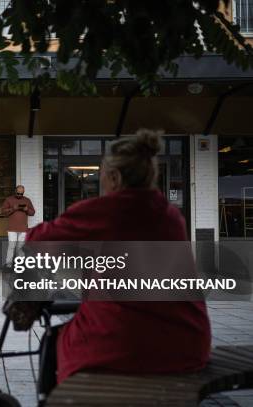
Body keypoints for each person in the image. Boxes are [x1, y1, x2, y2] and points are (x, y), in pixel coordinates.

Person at [26, 130, 211, 391]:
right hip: (188, 343)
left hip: (130, 348)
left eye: (101, 171)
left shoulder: (105, 211)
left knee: (54, 341)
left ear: (114, 177)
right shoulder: (170, 215)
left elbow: (35, 240)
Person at [1, 185, 35, 268]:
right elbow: (3, 212)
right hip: (12, 228)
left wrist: (27, 209)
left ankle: (20, 264)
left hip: (23, 228)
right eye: (18, 193)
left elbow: (33, 212)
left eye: (21, 194)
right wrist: (13, 208)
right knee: (11, 246)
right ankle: (9, 264)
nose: (19, 195)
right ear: (15, 191)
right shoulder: (9, 200)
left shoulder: (27, 200)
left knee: (20, 247)